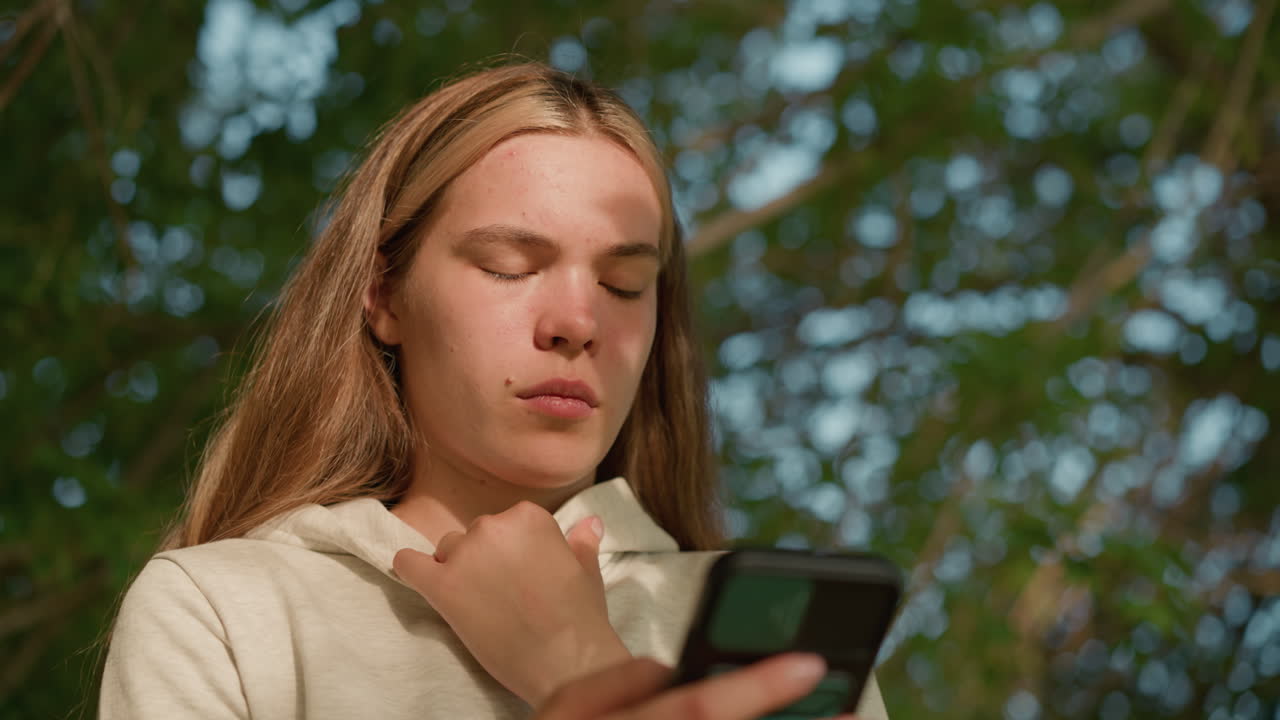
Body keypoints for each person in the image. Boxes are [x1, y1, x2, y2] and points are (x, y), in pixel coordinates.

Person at [97, 61, 890, 719]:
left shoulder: (773, 643)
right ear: (384, 295)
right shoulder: (224, 613)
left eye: (623, 282)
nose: (577, 321)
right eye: (510, 266)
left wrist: (578, 669)